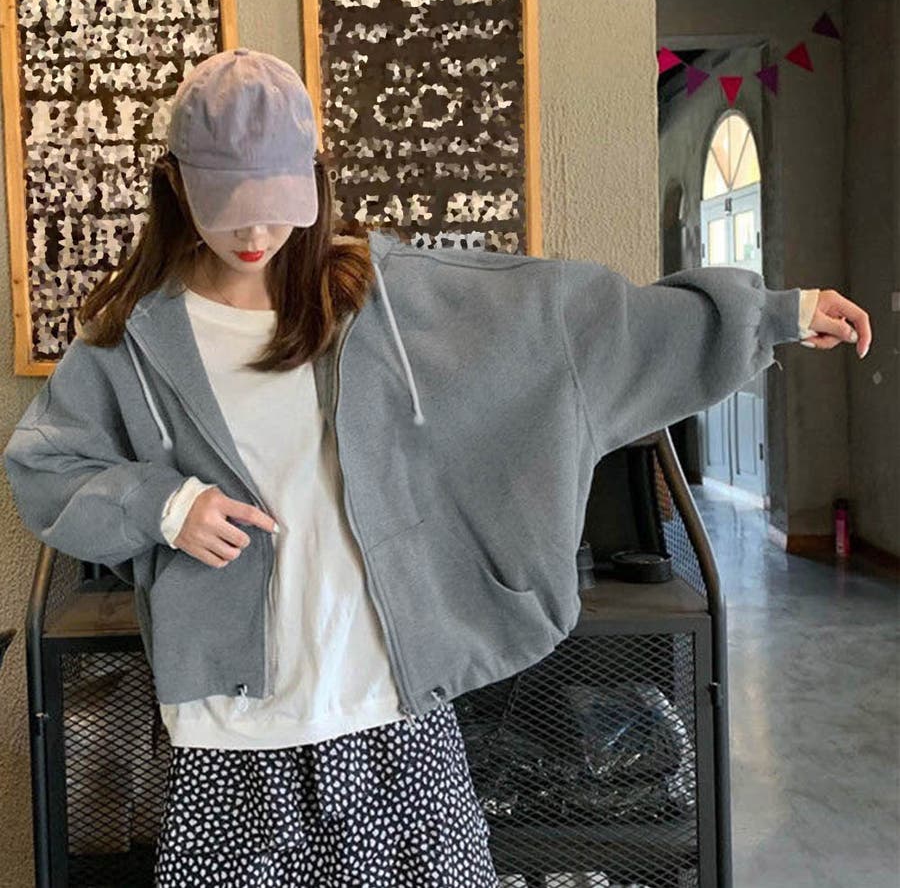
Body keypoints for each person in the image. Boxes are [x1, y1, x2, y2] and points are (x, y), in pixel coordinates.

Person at [2, 47, 870, 887]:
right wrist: (166, 507)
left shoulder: (379, 296)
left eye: (278, 200)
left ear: (314, 179)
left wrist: (776, 314)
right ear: (176, 187)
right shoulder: (131, 338)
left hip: (392, 708)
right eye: (229, 204)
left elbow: (581, 323)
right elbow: (45, 465)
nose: (258, 231)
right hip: (228, 736)